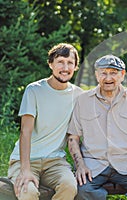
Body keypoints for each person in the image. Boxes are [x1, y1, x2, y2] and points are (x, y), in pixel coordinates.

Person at [67, 54, 127, 200]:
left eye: (113, 73)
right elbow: (73, 139)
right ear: (96, 75)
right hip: (94, 165)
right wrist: (81, 165)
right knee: (82, 189)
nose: (108, 78)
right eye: (103, 73)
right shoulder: (83, 100)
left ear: (122, 75)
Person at [8, 43, 83, 200]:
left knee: (69, 186)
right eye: (60, 62)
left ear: (75, 67)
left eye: (70, 63)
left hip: (55, 161)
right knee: (28, 192)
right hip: (27, 159)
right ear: (50, 64)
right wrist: (25, 169)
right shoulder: (34, 90)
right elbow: (25, 132)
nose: (65, 67)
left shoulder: (79, 95)